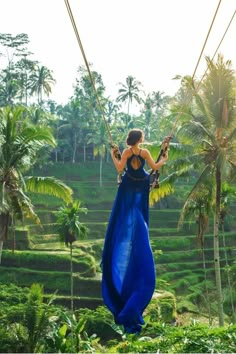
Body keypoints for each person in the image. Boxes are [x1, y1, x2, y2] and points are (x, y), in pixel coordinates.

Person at [101, 128, 168, 334]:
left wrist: (115, 156)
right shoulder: (145, 153)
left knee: (123, 220)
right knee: (138, 222)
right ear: (140, 139)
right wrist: (164, 158)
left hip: (128, 190)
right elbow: (155, 167)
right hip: (139, 191)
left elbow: (120, 169)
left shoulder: (127, 153)